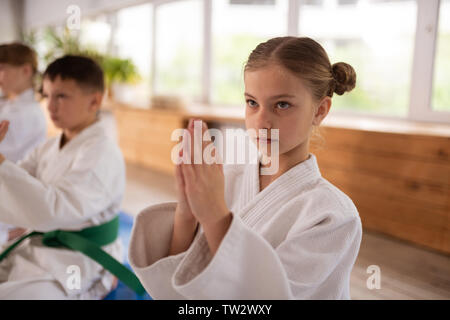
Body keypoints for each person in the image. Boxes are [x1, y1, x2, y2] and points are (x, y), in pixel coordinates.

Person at [128, 36, 362, 299]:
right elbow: (173, 283)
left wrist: (217, 218)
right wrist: (187, 212)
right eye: (252, 102)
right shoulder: (226, 178)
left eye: (282, 104)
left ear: (320, 110)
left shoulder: (333, 215)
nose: (261, 121)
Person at [0, 55, 132, 299]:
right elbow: (17, 181)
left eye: (61, 96)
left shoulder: (102, 153)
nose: (50, 106)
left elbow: (54, 209)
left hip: (79, 259)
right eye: (47, 95)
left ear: (94, 101)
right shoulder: (50, 147)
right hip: (39, 245)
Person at [0, 43, 47, 246]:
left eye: (2, 69)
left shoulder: (26, 114)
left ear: (25, 70)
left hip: (11, 198)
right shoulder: (12, 105)